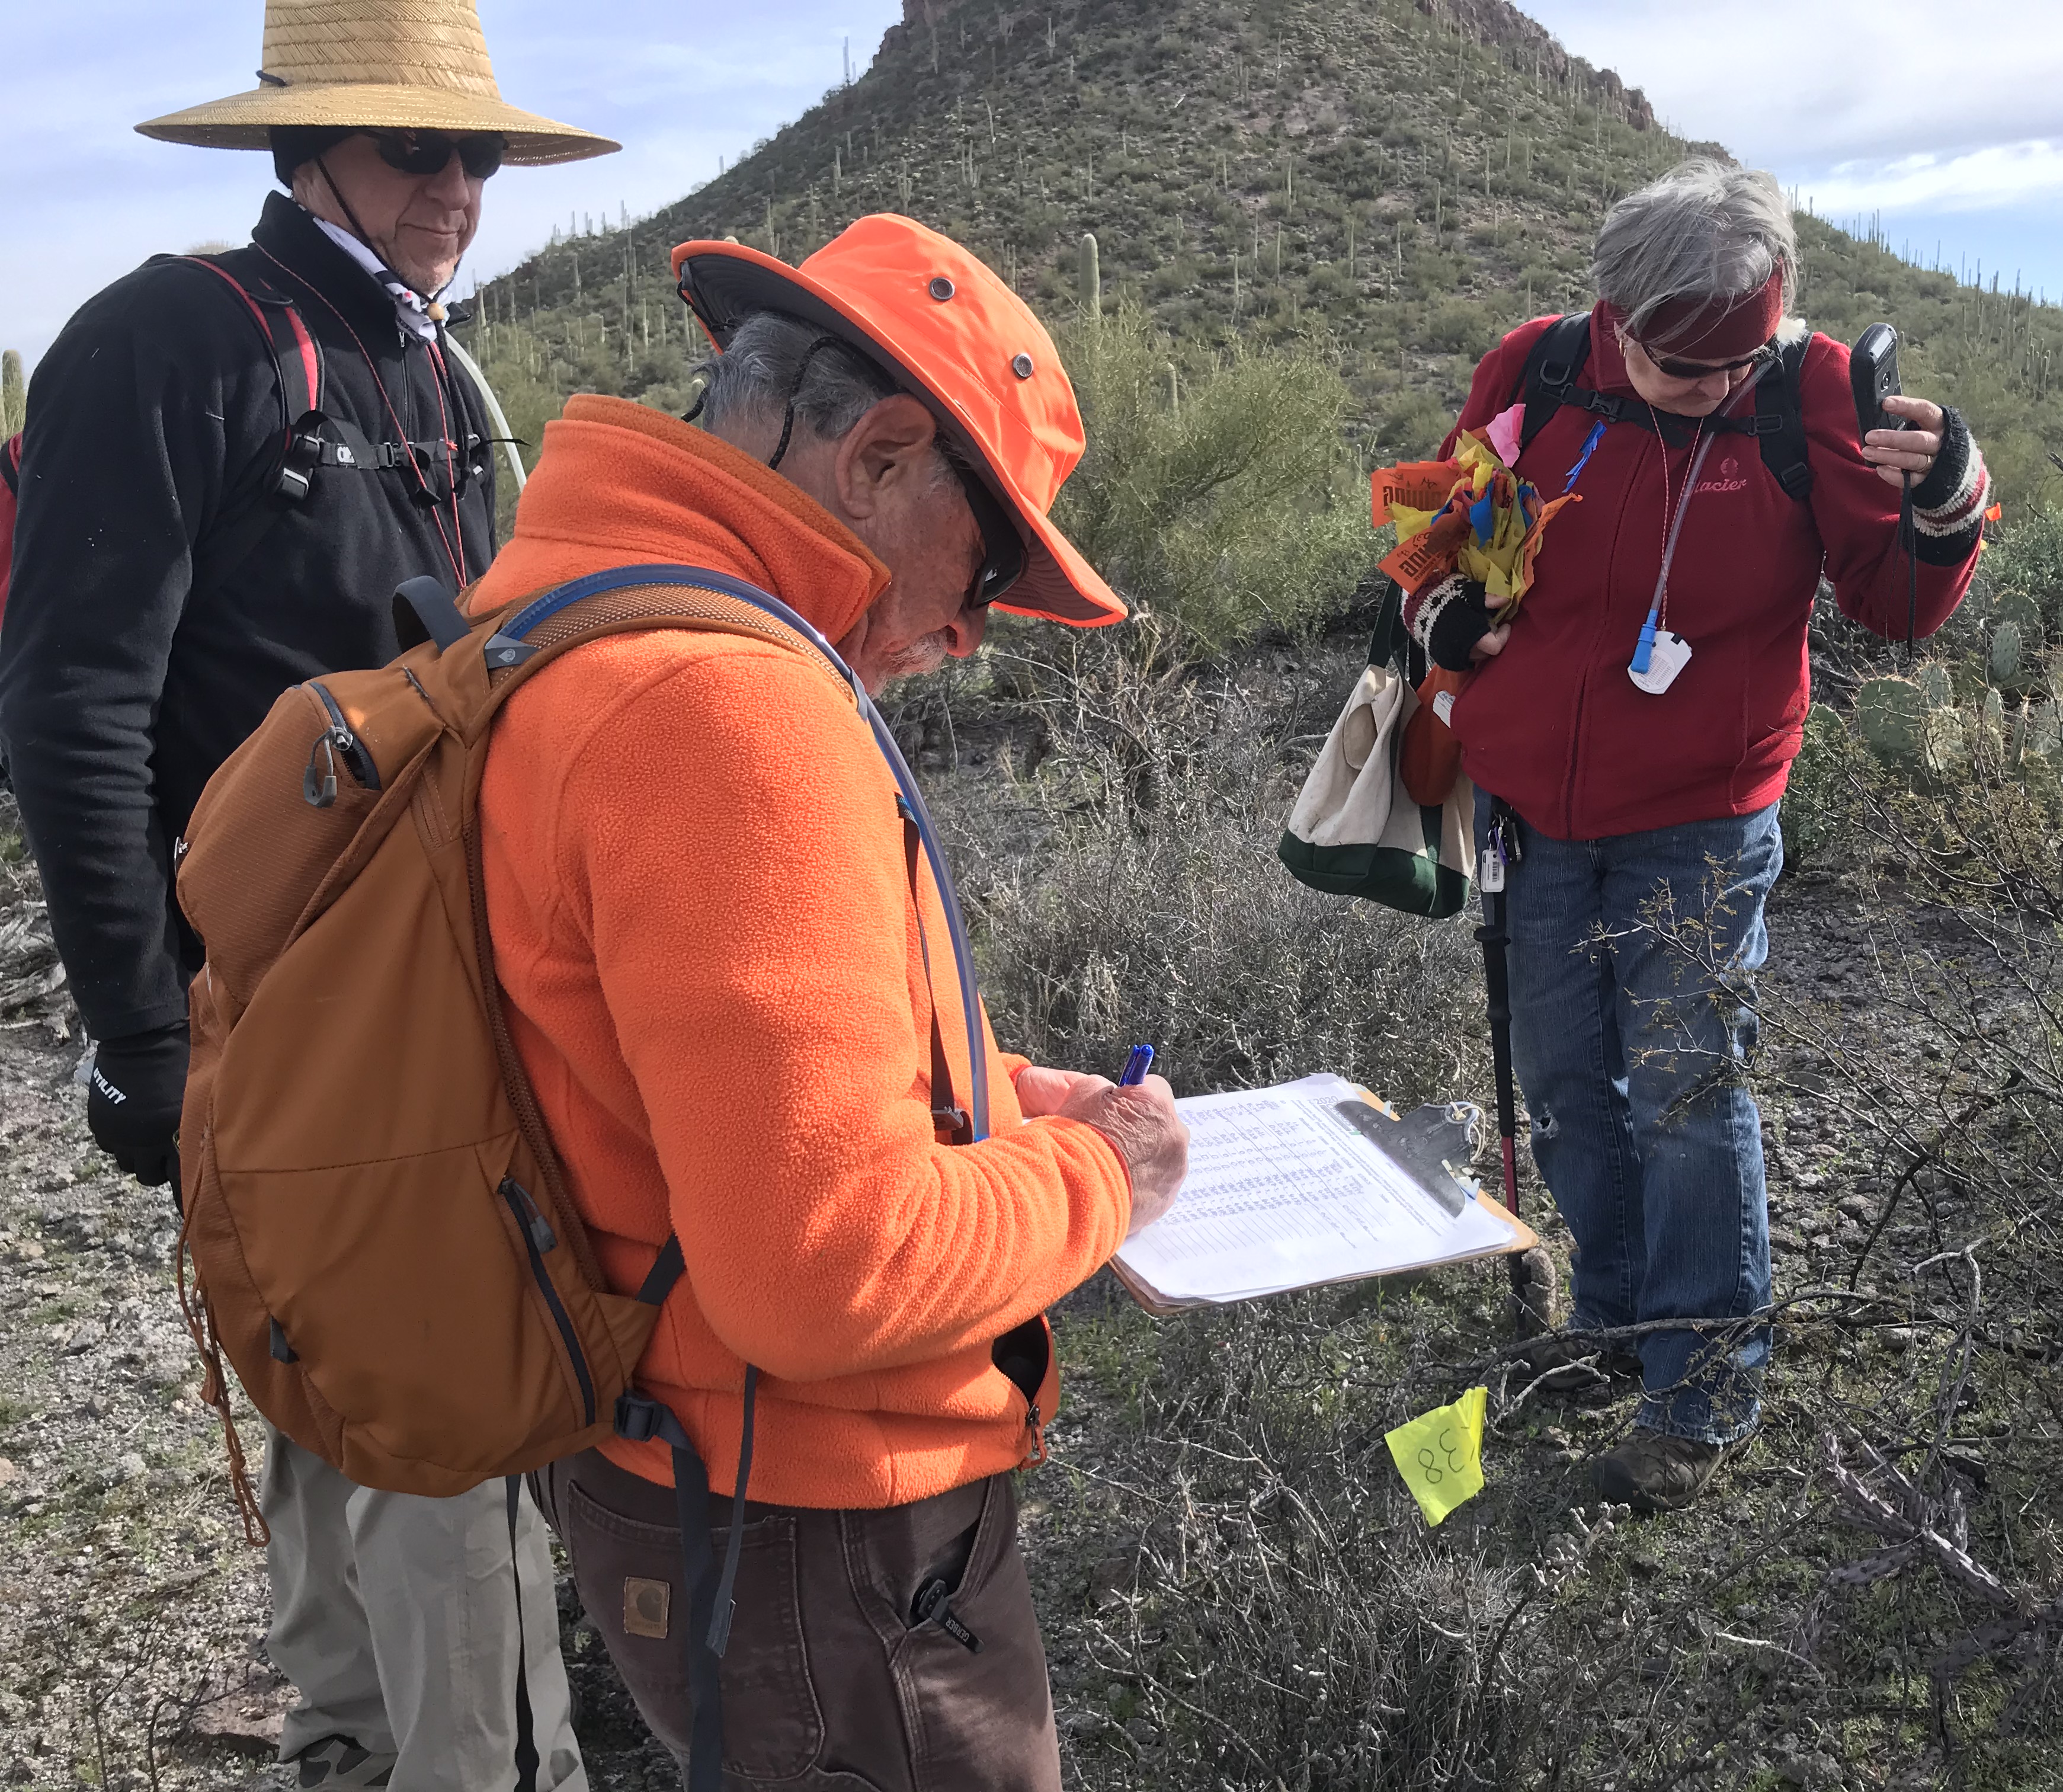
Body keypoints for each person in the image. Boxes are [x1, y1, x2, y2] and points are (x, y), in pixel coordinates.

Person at [479, 217, 1189, 1790]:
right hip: (824, 1537)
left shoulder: (573, 607)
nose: (970, 628)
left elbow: (667, 1057)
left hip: (691, 1480)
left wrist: (996, 1097)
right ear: (878, 456)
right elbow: (823, 1275)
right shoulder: (726, 707)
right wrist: (1104, 1177)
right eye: (991, 562)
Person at [0, 2, 618, 1783]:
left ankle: (348, 1736)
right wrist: (135, 1033)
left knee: (332, 1342)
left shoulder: (415, 359)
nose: (459, 189)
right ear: (306, 147)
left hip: (423, 990)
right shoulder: (172, 341)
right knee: (439, 1391)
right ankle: (471, 1763)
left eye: (478, 152)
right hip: (278, 998)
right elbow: (70, 699)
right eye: (418, 148)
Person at [1411, 161, 1990, 1513]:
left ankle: (1701, 1393)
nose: (1709, 391)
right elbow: (1446, 534)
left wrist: (1949, 511)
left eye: (1734, 368)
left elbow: (1892, 605)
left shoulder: (1812, 397)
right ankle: (1616, 1328)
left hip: (1700, 824)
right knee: (1566, 1087)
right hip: (1531, 812)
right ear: (1616, 314)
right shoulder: (1535, 371)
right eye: (1676, 367)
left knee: (1685, 1099)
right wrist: (1437, 613)